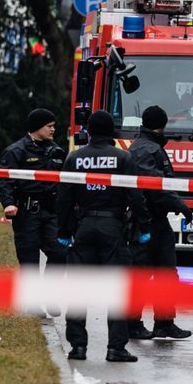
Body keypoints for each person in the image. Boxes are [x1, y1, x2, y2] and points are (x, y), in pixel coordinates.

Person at [56, 111, 151, 363]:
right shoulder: (123, 158)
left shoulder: (74, 158)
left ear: (87, 130)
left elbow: (64, 198)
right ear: (112, 132)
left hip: (84, 226)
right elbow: (135, 196)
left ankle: (78, 347)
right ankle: (115, 348)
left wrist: (64, 232)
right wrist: (143, 227)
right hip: (113, 227)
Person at [126, 105, 193, 341]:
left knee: (165, 274)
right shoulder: (147, 150)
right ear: (162, 124)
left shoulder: (147, 146)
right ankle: (132, 324)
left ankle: (164, 323)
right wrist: (181, 206)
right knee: (142, 275)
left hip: (156, 221)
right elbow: (155, 187)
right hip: (145, 222)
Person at [0, 109, 69, 272]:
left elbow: (65, 180)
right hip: (27, 214)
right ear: (37, 127)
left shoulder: (56, 151)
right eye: (49, 126)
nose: (53, 129)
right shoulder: (16, 151)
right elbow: (3, 179)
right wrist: (8, 203)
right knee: (29, 263)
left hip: (52, 213)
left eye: (54, 126)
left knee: (61, 253)